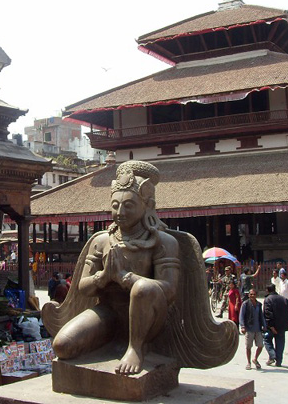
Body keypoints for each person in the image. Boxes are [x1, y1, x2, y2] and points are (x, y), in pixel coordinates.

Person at [43, 160, 238, 375]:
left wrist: (126, 277)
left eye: (129, 205)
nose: (120, 212)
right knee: (63, 346)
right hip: (108, 312)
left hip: (150, 318)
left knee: (143, 288)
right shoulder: (101, 241)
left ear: (147, 205)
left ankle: (136, 348)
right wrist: (104, 277)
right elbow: (83, 287)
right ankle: (111, 342)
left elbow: (169, 290)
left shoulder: (163, 242)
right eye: (115, 205)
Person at [263, 284, 288, 366]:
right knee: (280, 342)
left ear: (267, 290)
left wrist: (271, 326)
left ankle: (272, 355)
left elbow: (267, 314)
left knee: (267, 340)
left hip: (272, 326)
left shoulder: (268, 299)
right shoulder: (283, 299)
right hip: (282, 325)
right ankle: (279, 361)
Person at [239, 288, 266, 370]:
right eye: (251, 294)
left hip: (257, 328)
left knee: (260, 345)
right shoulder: (245, 304)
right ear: (248, 295)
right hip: (249, 328)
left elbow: (261, 316)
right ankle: (248, 362)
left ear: (256, 295)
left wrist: (264, 325)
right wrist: (242, 326)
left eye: (254, 294)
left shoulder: (259, 304)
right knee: (248, 347)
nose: (252, 296)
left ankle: (255, 359)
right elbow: (241, 316)